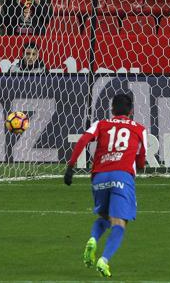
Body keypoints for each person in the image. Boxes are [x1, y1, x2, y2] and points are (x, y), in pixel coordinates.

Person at [64, 94, 147, 278]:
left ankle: (93, 239)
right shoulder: (140, 129)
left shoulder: (101, 124)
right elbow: (141, 162)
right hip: (122, 176)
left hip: (99, 177)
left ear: (112, 110)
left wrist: (70, 166)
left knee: (105, 216)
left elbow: (83, 140)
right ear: (131, 111)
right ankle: (104, 259)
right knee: (120, 222)